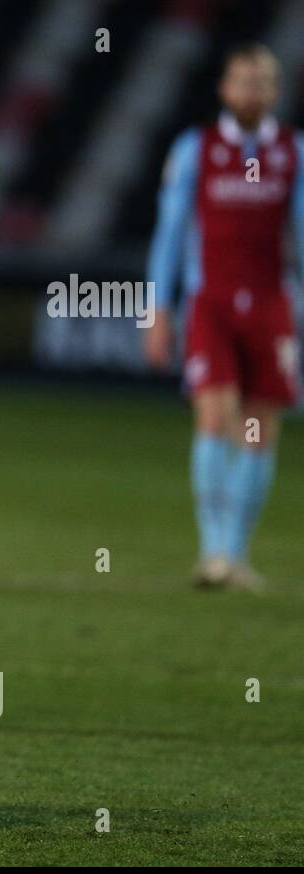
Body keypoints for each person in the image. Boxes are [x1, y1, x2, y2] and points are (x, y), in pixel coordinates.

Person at [145, 43, 303, 590]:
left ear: (275, 92)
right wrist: (158, 307)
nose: (251, 90)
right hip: (211, 303)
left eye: (261, 81)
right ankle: (213, 551)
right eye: (242, 79)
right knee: (214, 417)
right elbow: (169, 232)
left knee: (260, 429)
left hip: (270, 305)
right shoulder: (196, 149)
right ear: (224, 89)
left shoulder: (293, 152)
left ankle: (235, 554)